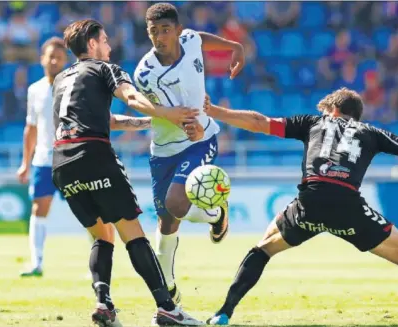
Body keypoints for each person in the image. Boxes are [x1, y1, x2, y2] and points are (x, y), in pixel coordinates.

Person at [203, 88, 398, 325]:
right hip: (349, 208)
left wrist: (215, 110)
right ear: (356, 115)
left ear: (333, 109)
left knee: (262, 248)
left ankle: (224, 313)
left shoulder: (311, 122)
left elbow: (258, 122)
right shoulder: (371, 132)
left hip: (309, 203)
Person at [52, 19, 204, 327]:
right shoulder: (106, 69)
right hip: (94, 155)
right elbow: (132, 98)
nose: (108, 46)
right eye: (105, 40)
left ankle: (103, 304)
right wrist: (168, 113)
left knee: (101, 236)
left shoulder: (62, 78)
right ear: (92, 44)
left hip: (62, 161)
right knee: (132, 232)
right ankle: (167, 308)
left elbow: (106, 120)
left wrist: (153, 123)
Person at [133, 2, 245, 305]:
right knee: (166, 221)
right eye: (153, 31)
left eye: (166, 30)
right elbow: (172, 112)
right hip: (164, 149)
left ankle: (215, 212)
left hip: (201, 139)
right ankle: (168, 286)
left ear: (177, 31)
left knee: (175, 202)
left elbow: (199, 37)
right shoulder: (147, 74)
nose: (160, 37)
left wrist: (233, 45)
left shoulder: (189, 40)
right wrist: (186, 125)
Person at [17, 37, 68, 277]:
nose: (55, 60)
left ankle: (97, 264)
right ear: (42, 59)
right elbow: (31, 127)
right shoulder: (34, 90)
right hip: (43, 159)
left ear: (66, 61)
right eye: (51, 56)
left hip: (71, 158)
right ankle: (36, 263)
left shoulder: (73, 86)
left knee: (89, 212)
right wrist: (25, 163)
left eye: (59, 56)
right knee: (38, 209)